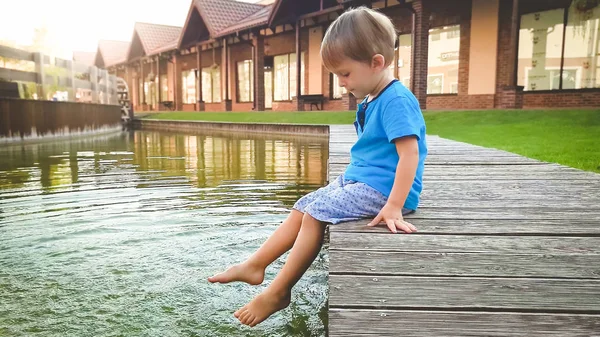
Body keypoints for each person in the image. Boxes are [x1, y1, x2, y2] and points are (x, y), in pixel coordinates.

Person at [208, 6, 428, 327]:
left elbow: (410, 154)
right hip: (362, 180)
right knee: (304, 205)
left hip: (384, 191)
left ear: (376, 63)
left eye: (345, 73)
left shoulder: (396, 100)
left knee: (316, 214)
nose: (340, 84)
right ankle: (256, 264)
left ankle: (279, 291)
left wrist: (394, 206)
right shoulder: (374, 96)